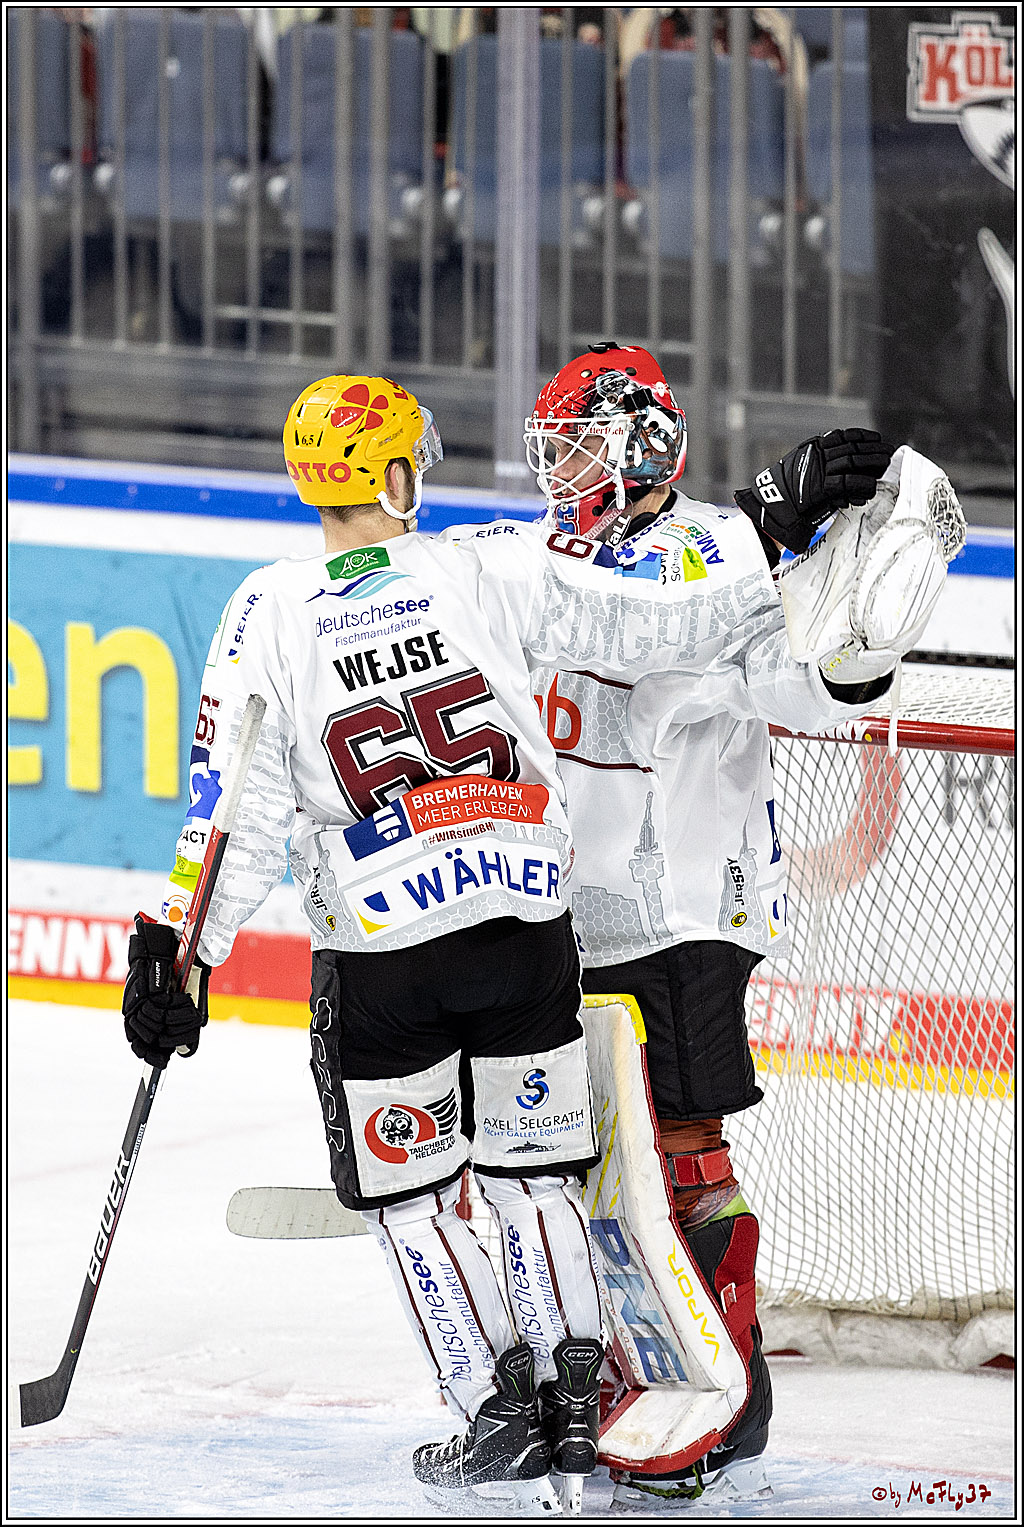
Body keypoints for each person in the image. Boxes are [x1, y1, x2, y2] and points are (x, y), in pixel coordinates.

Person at [119, 372, 811, 1517]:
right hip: (524, 934)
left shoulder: (267, 608)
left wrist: (180, 954)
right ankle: (582, 1404)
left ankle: (501, 1410)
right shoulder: (485, 564)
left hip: (385, 955)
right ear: (396, 473)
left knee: (416, 1200)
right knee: (537, 1179)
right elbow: (659, 622)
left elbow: (231, 806)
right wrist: (766, 526)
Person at [521, 342, 900, 1506]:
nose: (561, 469)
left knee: (681, 1148)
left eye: (582, 443)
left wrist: (848, 648)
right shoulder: (576, 556)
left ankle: (724, 1392)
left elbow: (792, 681)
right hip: (577, 908)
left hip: (684, 910)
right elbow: (604, 624)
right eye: (555, 448)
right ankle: (643, 1368)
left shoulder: (706, 557)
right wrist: (765, 524)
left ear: (644, 441)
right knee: (594, 1159)